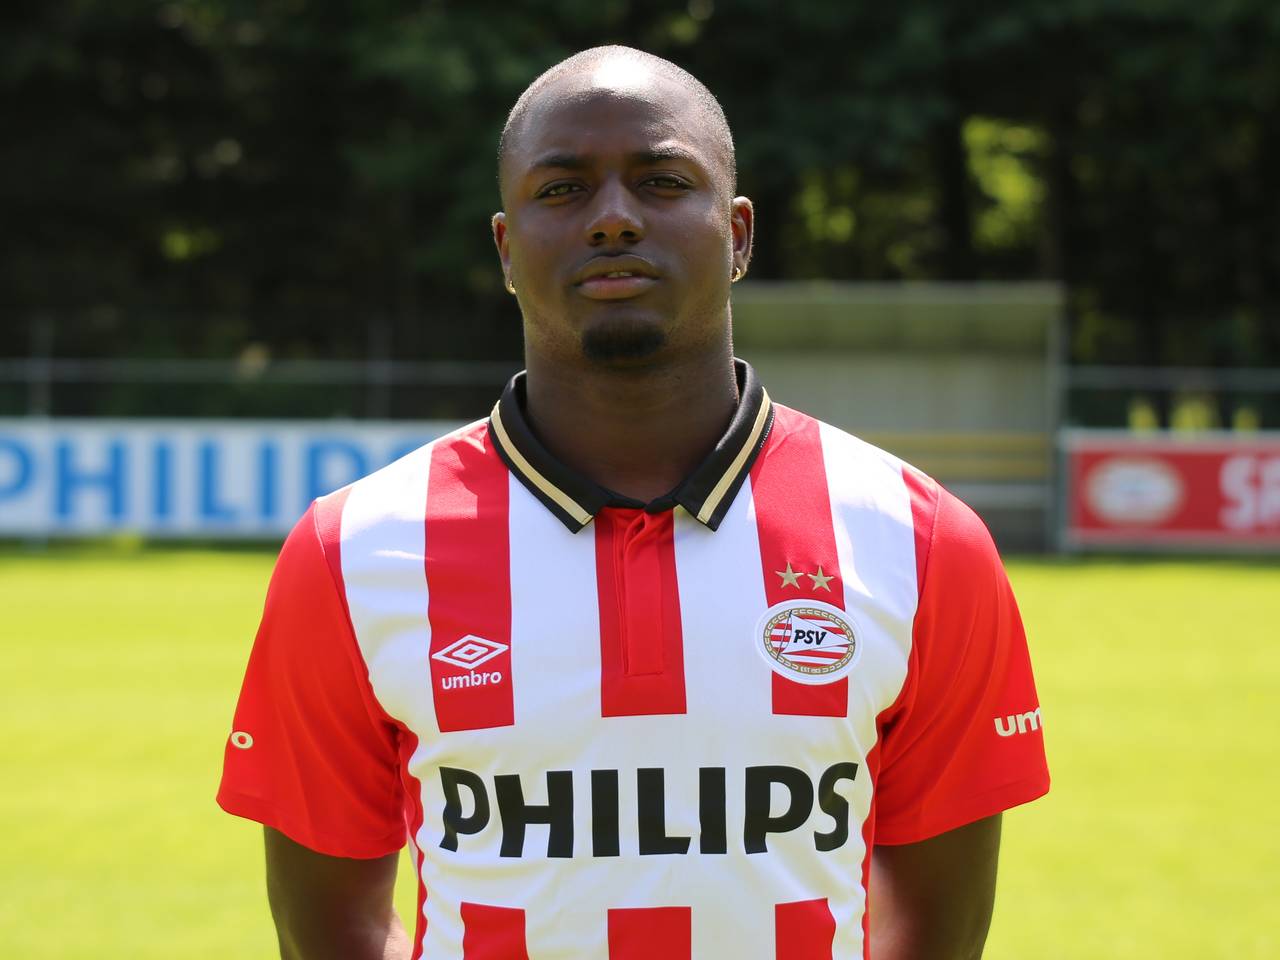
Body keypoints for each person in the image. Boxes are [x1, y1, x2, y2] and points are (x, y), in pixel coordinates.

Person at [218, 45, 1049, 960]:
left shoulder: (920, 542)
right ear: (506, 247)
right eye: (562, 190)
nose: (613, 218)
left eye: (662, 182)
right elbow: (327, 928)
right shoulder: (353, 552)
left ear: (738, 234)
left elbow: (935, 929)